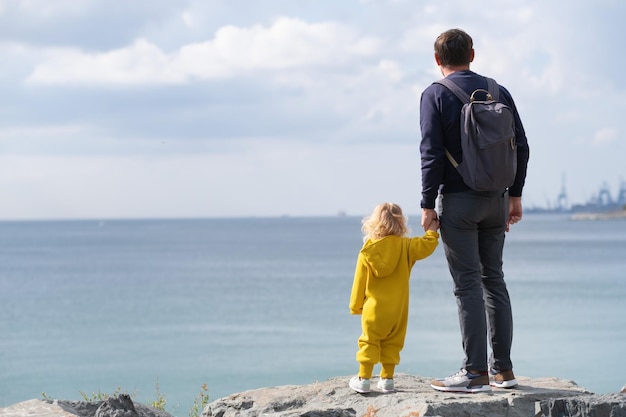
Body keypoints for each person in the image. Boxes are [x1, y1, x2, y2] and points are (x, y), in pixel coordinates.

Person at [419, 29, 529, 393]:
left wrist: (426, 204)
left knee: (467, 286)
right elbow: (523, 146)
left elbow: (431, 154)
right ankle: (504, 372)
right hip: (497, 200)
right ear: (473, 54)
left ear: (438, 60)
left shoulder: (435, 94)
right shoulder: (499, 92)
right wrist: (515, 196)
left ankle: (474, 373)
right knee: (494, 281)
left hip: (460, 203)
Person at [349, 203, 439, 394]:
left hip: (373, 308)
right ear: (401, 224)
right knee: (393, 343)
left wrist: (356, 307)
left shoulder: (367, 250)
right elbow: (427, 246)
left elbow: (359, 283)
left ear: (374, 223)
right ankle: (387, 380)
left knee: (369, 342)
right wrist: (432, 230)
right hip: (398, 310)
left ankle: (364, 379)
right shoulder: (406, 246)